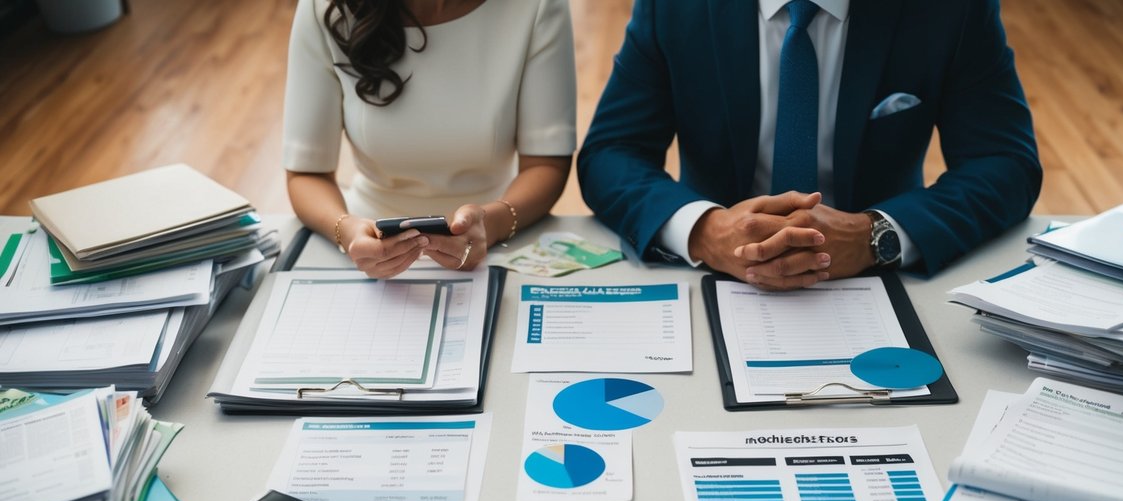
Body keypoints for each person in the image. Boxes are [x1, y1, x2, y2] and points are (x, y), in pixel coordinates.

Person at [577, 0, 1043, 288]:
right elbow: (611, 152)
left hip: (883, 279)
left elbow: (1005, 162)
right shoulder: (675, 6)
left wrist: (874, 235)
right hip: (711, 278)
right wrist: (705, 232)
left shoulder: (949, 8)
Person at [283, 0, 576, 278]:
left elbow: (546, 164)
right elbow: (307, 172)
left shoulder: (536, 7)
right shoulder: (325, 7)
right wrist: (346, 231)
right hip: (363, 248)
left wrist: (491, 224)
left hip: (496, 241)